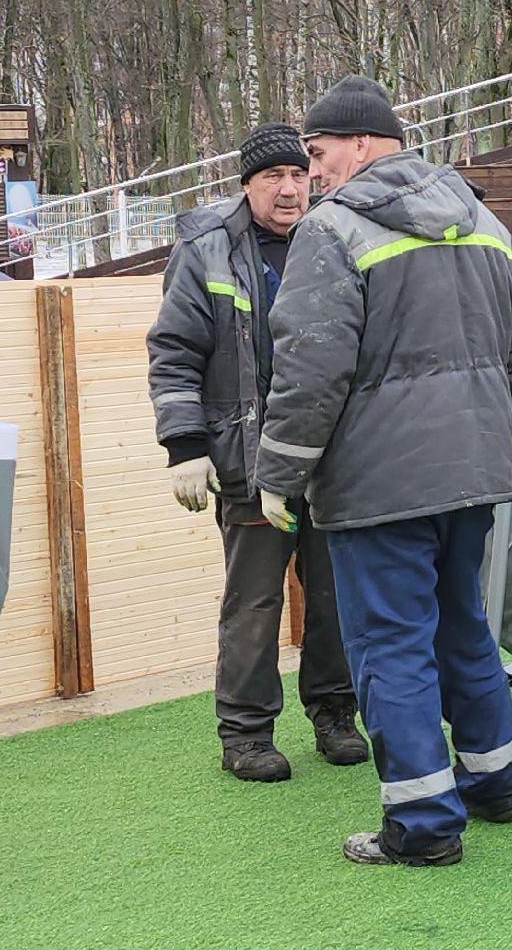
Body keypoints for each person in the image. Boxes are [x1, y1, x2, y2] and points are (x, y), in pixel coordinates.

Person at [253, 76, 512, 867]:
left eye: (317, 154)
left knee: (392, 648)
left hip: (378, 483)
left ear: (364, 143)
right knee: (463, 626)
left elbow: (310, 369)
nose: (309, 176)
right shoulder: (484, 220)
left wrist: (281, 474)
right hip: (473, 467)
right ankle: (493, 784)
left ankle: (422, 826)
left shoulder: (332, 231)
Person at [146, 123, 365, 783]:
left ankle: (335, 715)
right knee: (254, 601)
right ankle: (245, 735)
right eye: (274, 177)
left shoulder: (337, 234)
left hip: (330, 458)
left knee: (333, 595)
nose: (290, 188)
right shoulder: (207, 247)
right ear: (246, 185)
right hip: (246, 456)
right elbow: (174, 350)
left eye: (299, 174)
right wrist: (184, 446)